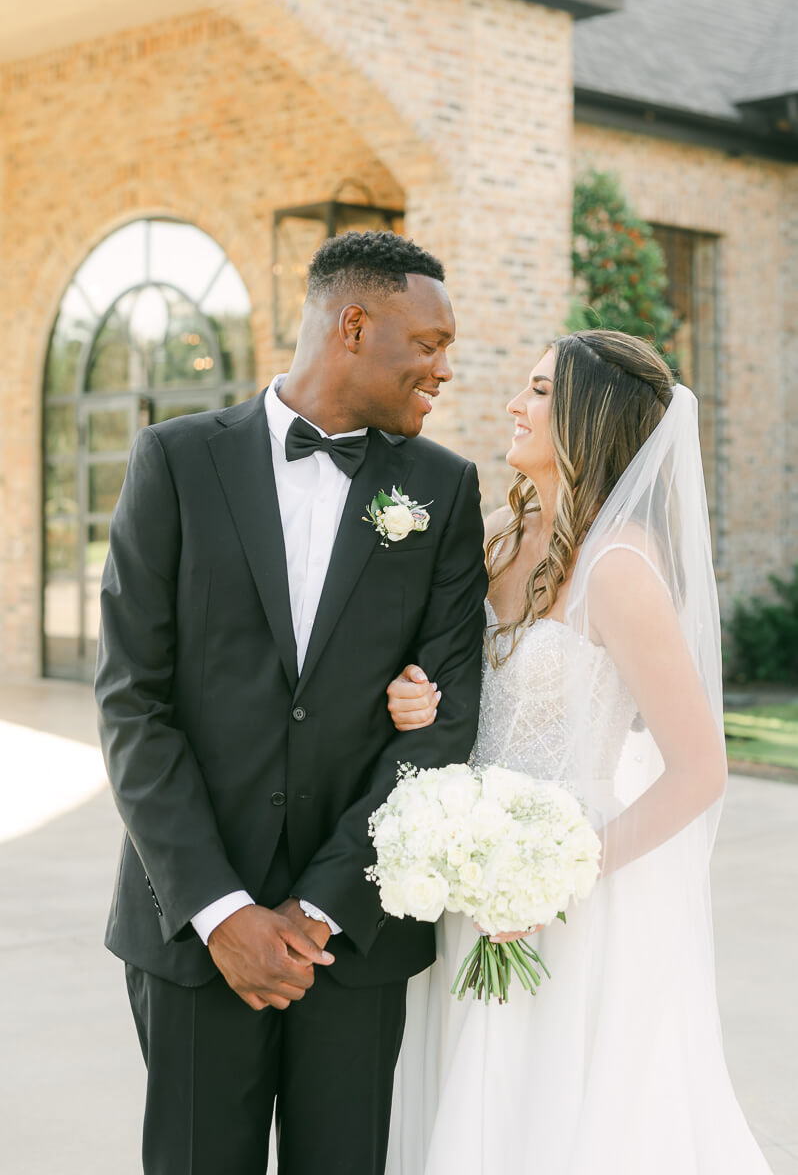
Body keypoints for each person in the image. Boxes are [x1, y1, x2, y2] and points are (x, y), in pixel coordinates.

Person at [94, 230, 488, 1175]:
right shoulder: (175, 460)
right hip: (192, 928)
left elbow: (445, 719)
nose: (444, 369)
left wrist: (322, 906)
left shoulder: (444, 488)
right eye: (429, 344)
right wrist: (222, 910)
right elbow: (132, 704)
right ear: (354, 324)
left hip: (356, 934)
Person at [383, 331, 772, 1174]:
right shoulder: (495, 534)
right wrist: (417, 694)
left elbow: (701, 769)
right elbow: (459, 683)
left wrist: (560, 875)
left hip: (568, 892)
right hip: (464, 871)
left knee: (552, 1114)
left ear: (586, 420)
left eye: (534, 391)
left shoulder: (622, 569)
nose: (512, 406)